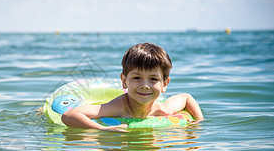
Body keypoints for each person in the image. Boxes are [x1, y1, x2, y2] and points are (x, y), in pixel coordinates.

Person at [61, 42, 204, 132]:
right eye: (137, 78)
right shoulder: (118, 107)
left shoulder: (164, 109)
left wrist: (197, 123)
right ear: (124, 81)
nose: (145, 85)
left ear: (164, 84)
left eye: (153, 79)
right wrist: (102, 129)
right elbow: (69, 115)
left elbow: (186, 97)